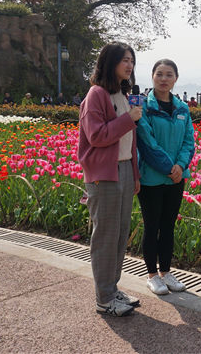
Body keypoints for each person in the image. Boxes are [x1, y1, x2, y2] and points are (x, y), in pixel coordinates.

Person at [77, 42, 142, 317]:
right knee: (105, 236)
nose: (129, 65)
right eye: (124, 60)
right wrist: (129, 119)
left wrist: (135, 175)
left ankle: (112, 288)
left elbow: (128, 141)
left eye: (132, 61)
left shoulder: (123, 95)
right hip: (104, 175)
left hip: (124, 170)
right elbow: (97, 136)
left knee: (119, 234)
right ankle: (104, 298)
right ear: (110, 62)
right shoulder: (97, 94)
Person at [136, 59, 194, 296]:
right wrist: (170, 167)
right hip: (152, 177)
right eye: (159, 74)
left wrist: (180, 166)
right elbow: (147, 142)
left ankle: (166, 272)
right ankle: (151, 275)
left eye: (169, 75)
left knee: (169, 226)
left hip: (176, 179)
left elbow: (189, 141)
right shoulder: (144, 108)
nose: (163, 79)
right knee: (152, 226)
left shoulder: (182, 108)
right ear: (152, 77)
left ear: (176, 79)